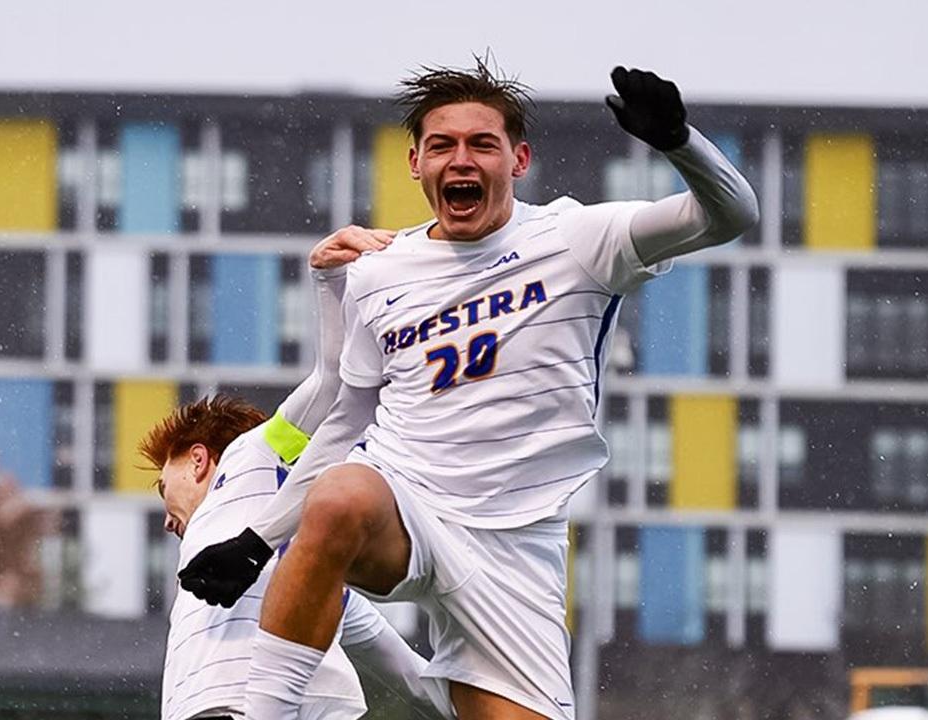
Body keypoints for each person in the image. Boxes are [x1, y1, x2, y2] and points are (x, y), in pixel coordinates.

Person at [178, 61, 760, 720]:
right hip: (406, 505)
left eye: (482, 144)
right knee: (342, 494)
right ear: (415, 164)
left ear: (519, 160)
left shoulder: (576, 238)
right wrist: (258, 540)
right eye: (442, 145)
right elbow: (345, 422)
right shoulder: (381, 272)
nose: (461, 160)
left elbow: (731, 215)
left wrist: (679, 142)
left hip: (516, 549)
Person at [143, 228, 451, 719]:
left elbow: (332, 383)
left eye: (164, 487)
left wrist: (327, 278)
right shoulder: (314, 576)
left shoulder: (250, 454)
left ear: (198, 460)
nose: (166, 520)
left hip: (228, 705)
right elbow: (410, 676)